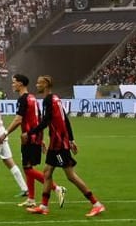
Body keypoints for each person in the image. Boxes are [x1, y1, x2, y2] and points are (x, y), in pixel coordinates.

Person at [28, 75, 104, 218]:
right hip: (57, 143)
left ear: (46, 85)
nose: (37, 85)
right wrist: (72, 139)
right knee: (47, 173)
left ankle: (96, 204)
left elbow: (45, 121)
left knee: (70, 176)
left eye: (39, 83)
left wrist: (30, 133)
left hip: (58, 145)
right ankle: (44, 206)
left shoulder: (48, 100)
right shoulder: (56, 98)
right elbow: (66, 120)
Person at [13, 74, 51, 207]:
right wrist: (41, 138)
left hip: (28, 137)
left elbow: (18, 120)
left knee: (27, 168)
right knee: (28, 167)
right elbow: (38, 119)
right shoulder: (33, 98)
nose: (13, 84)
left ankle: (57, 188)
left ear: (21, 84)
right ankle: (31, 198)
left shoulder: (23, 99)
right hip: (35, 136)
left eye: (14, 82)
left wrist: (5, 133)